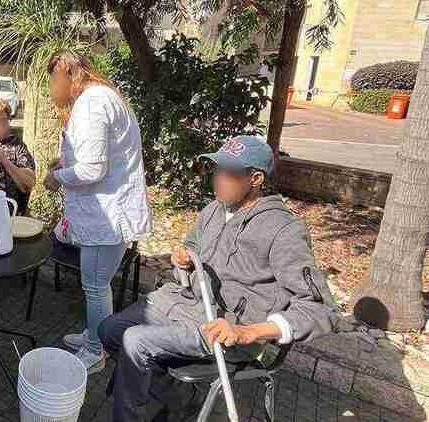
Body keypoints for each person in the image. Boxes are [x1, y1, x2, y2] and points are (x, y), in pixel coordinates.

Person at [99, 136, 337, 422]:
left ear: (256, 178)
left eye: (229, 172)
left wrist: (251, 332)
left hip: (227, 327)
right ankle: (179, 399)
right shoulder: (213, 210)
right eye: (216, 170)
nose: (219, 179)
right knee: (108, 329)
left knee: (135, 342)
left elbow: (321, 310)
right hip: (186, 305)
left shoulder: (283, 231)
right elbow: (191, 252)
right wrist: (182, 263)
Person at [42, 52, 152, 373]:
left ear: (66, 73)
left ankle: (95, 350)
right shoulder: (104, 97)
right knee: (97, 284)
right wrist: (65, 164)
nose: (52, 86)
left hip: (107, 217)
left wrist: (56, 177)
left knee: (95, 285)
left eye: (53, 78)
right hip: (109, 213)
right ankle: (94, 333)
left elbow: (92, 168)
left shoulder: (92, 103)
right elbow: (100, 156)